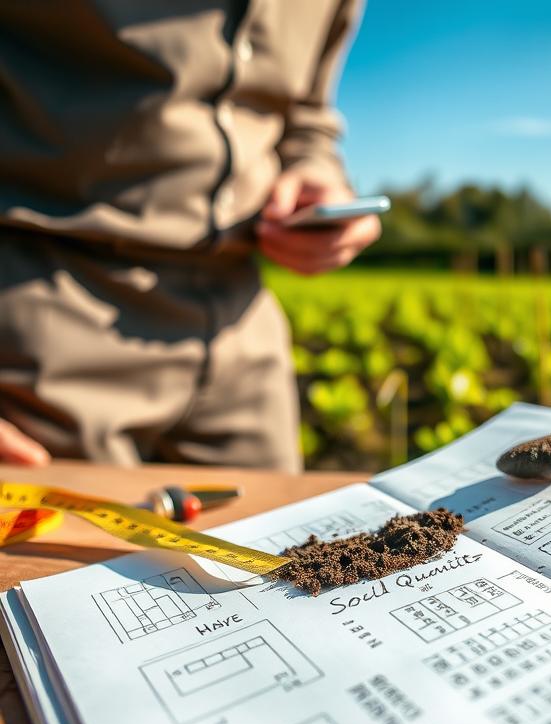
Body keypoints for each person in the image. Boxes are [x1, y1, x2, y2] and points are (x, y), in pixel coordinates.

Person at [0, 1, 380, 472]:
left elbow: (306, 113)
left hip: (245, 324)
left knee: (280, 541)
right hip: (39, 306)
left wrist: (316, 168)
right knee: (65, 545)